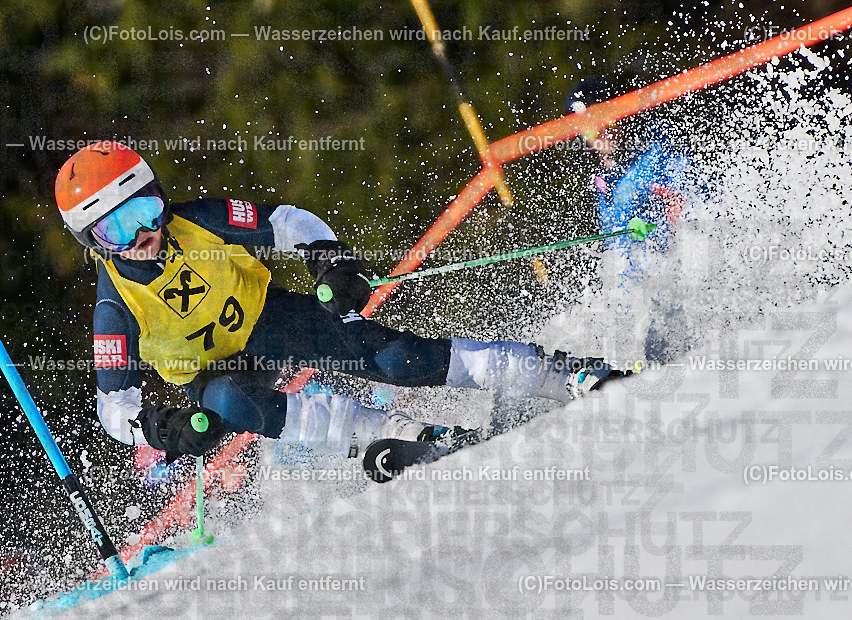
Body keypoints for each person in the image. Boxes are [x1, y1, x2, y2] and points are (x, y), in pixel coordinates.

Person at [55, 141, 626, 464]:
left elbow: (285, 222)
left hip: (269, 321)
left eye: (146, 211)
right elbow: (115, 406)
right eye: (119, 230)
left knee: (396, 359)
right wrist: (159, 428)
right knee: (230, 402)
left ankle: (559, 374)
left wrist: (327, 257)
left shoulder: (198, 221)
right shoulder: (116, 309)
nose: (144, 234)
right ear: (93, 243)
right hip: (212, 373)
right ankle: (406, 435)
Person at [566, 76, 696, 362]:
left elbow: (688, 207)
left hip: (674, 287)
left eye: (605, 119)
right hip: (634, 304)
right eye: (588, 126)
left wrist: (665, 225)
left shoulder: (653, 152)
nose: (600, 132)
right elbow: (619, 255)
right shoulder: (602, 183)